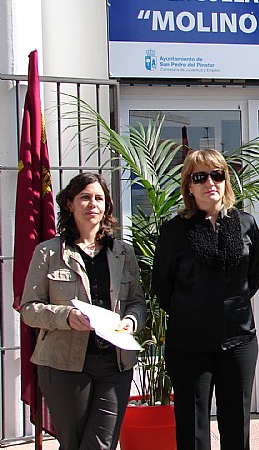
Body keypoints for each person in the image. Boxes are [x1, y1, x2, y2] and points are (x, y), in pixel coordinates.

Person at [20, 173, 146, 450]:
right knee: (74, 444)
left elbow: (137, 302)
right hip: (64, 365)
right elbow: (29, 309)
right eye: (85, 197)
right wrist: (66, 317)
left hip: (115, 363)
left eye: (99, 198)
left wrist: (131, 320)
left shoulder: (123, 253)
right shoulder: (48, 253)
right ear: (70, 204)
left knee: (102, 443)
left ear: (107, 206)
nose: (92, 204)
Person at [153, 149, 259, 450]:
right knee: (192, 431)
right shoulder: (174, 231)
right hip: (189, 345)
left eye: (217, 175)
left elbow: (252, 279)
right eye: (200, 177)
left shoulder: (246, 223)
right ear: (189, 186)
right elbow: (163, 287)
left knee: (237, 427)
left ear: (226, 180)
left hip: (239, 340)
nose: (210, 183)